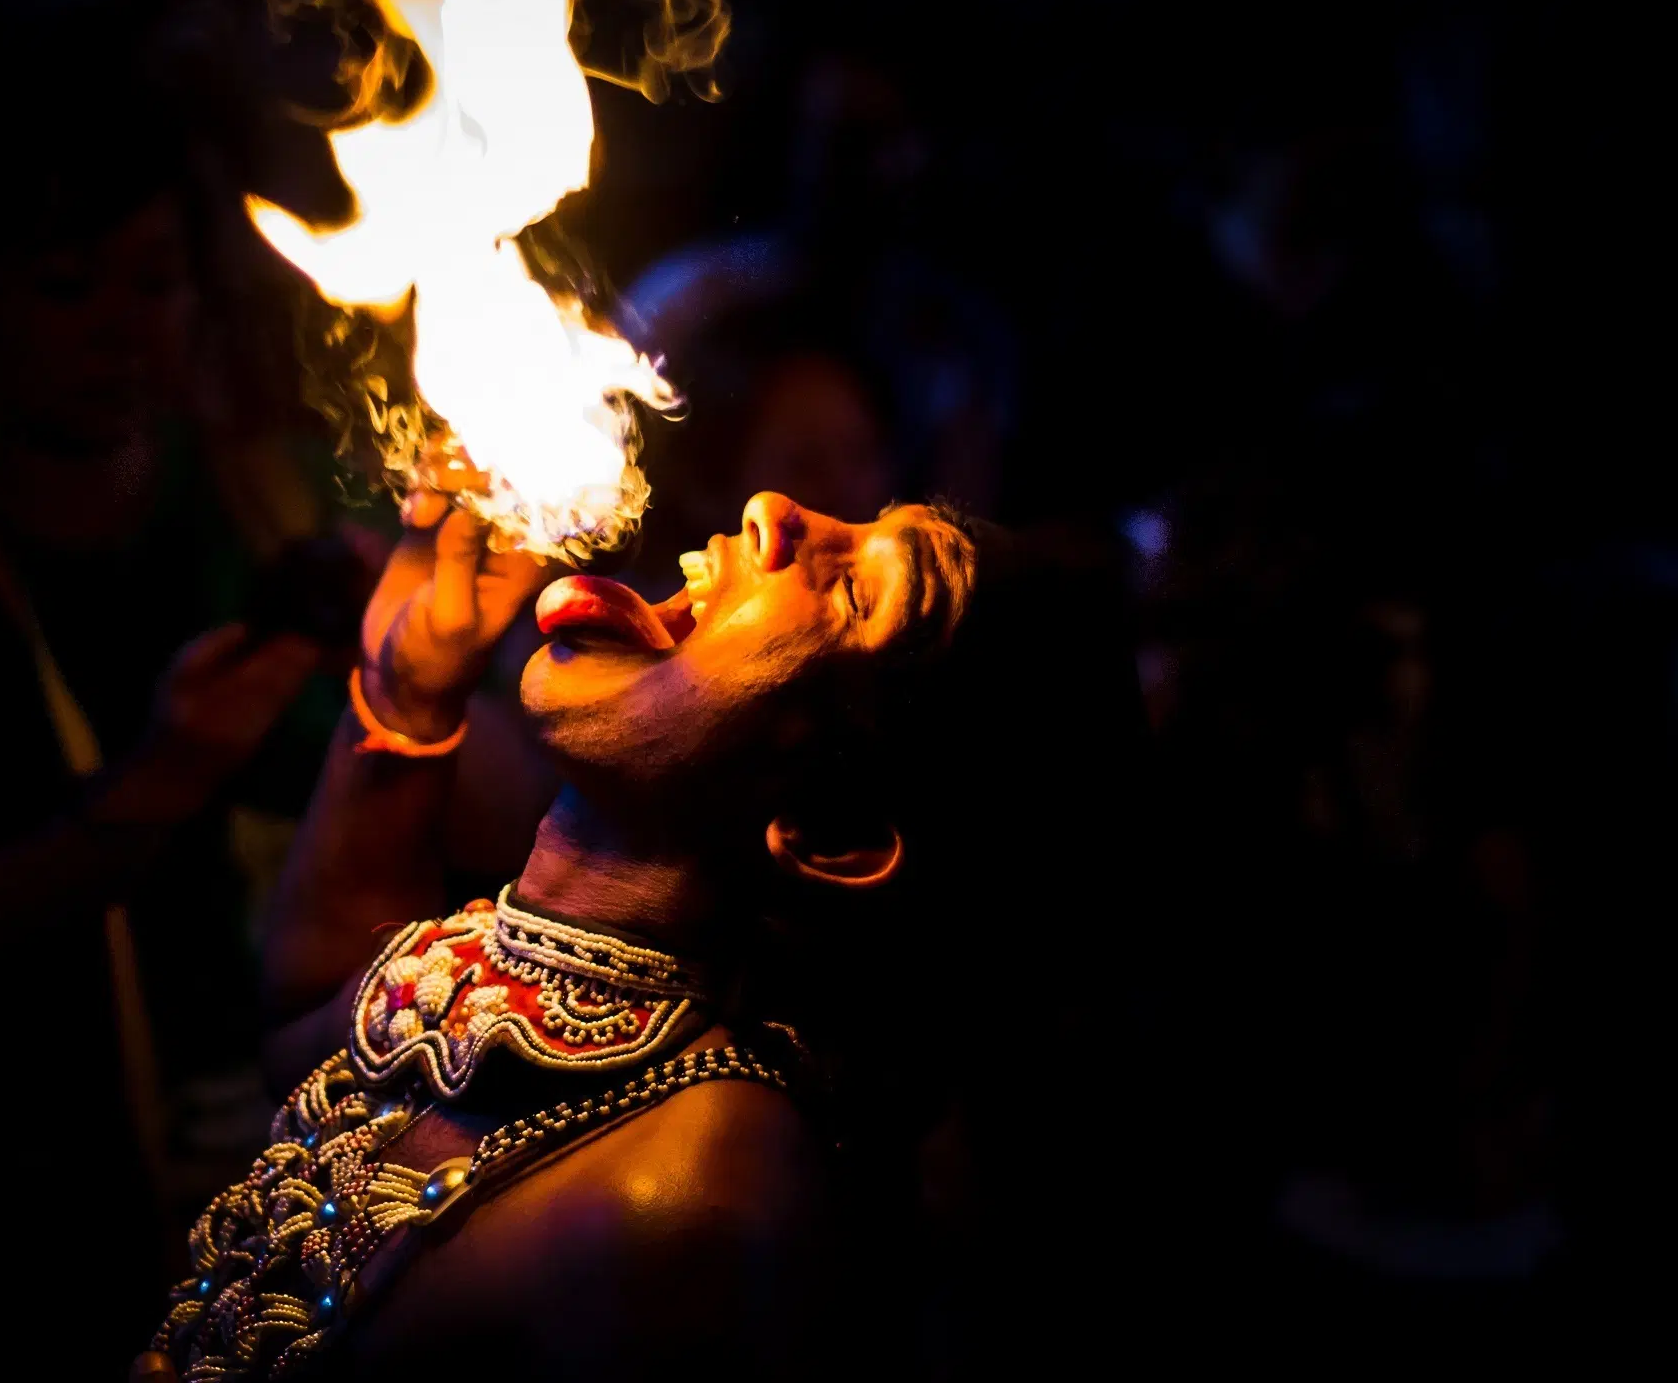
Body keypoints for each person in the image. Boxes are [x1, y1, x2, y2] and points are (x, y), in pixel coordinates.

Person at [139, 483, 1141, 1379]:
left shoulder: (685, 1206)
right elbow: (307, 1031)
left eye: (854, 592)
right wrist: (406, 694)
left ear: (830, 835)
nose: (775, 506)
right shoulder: (492, 959)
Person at [0, 1, 364, 1376]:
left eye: (156, 283)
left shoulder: (265, 513)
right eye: (68, 287)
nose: (123, 331)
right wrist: (148, 794)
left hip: (280, 1174)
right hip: (3, 1221)